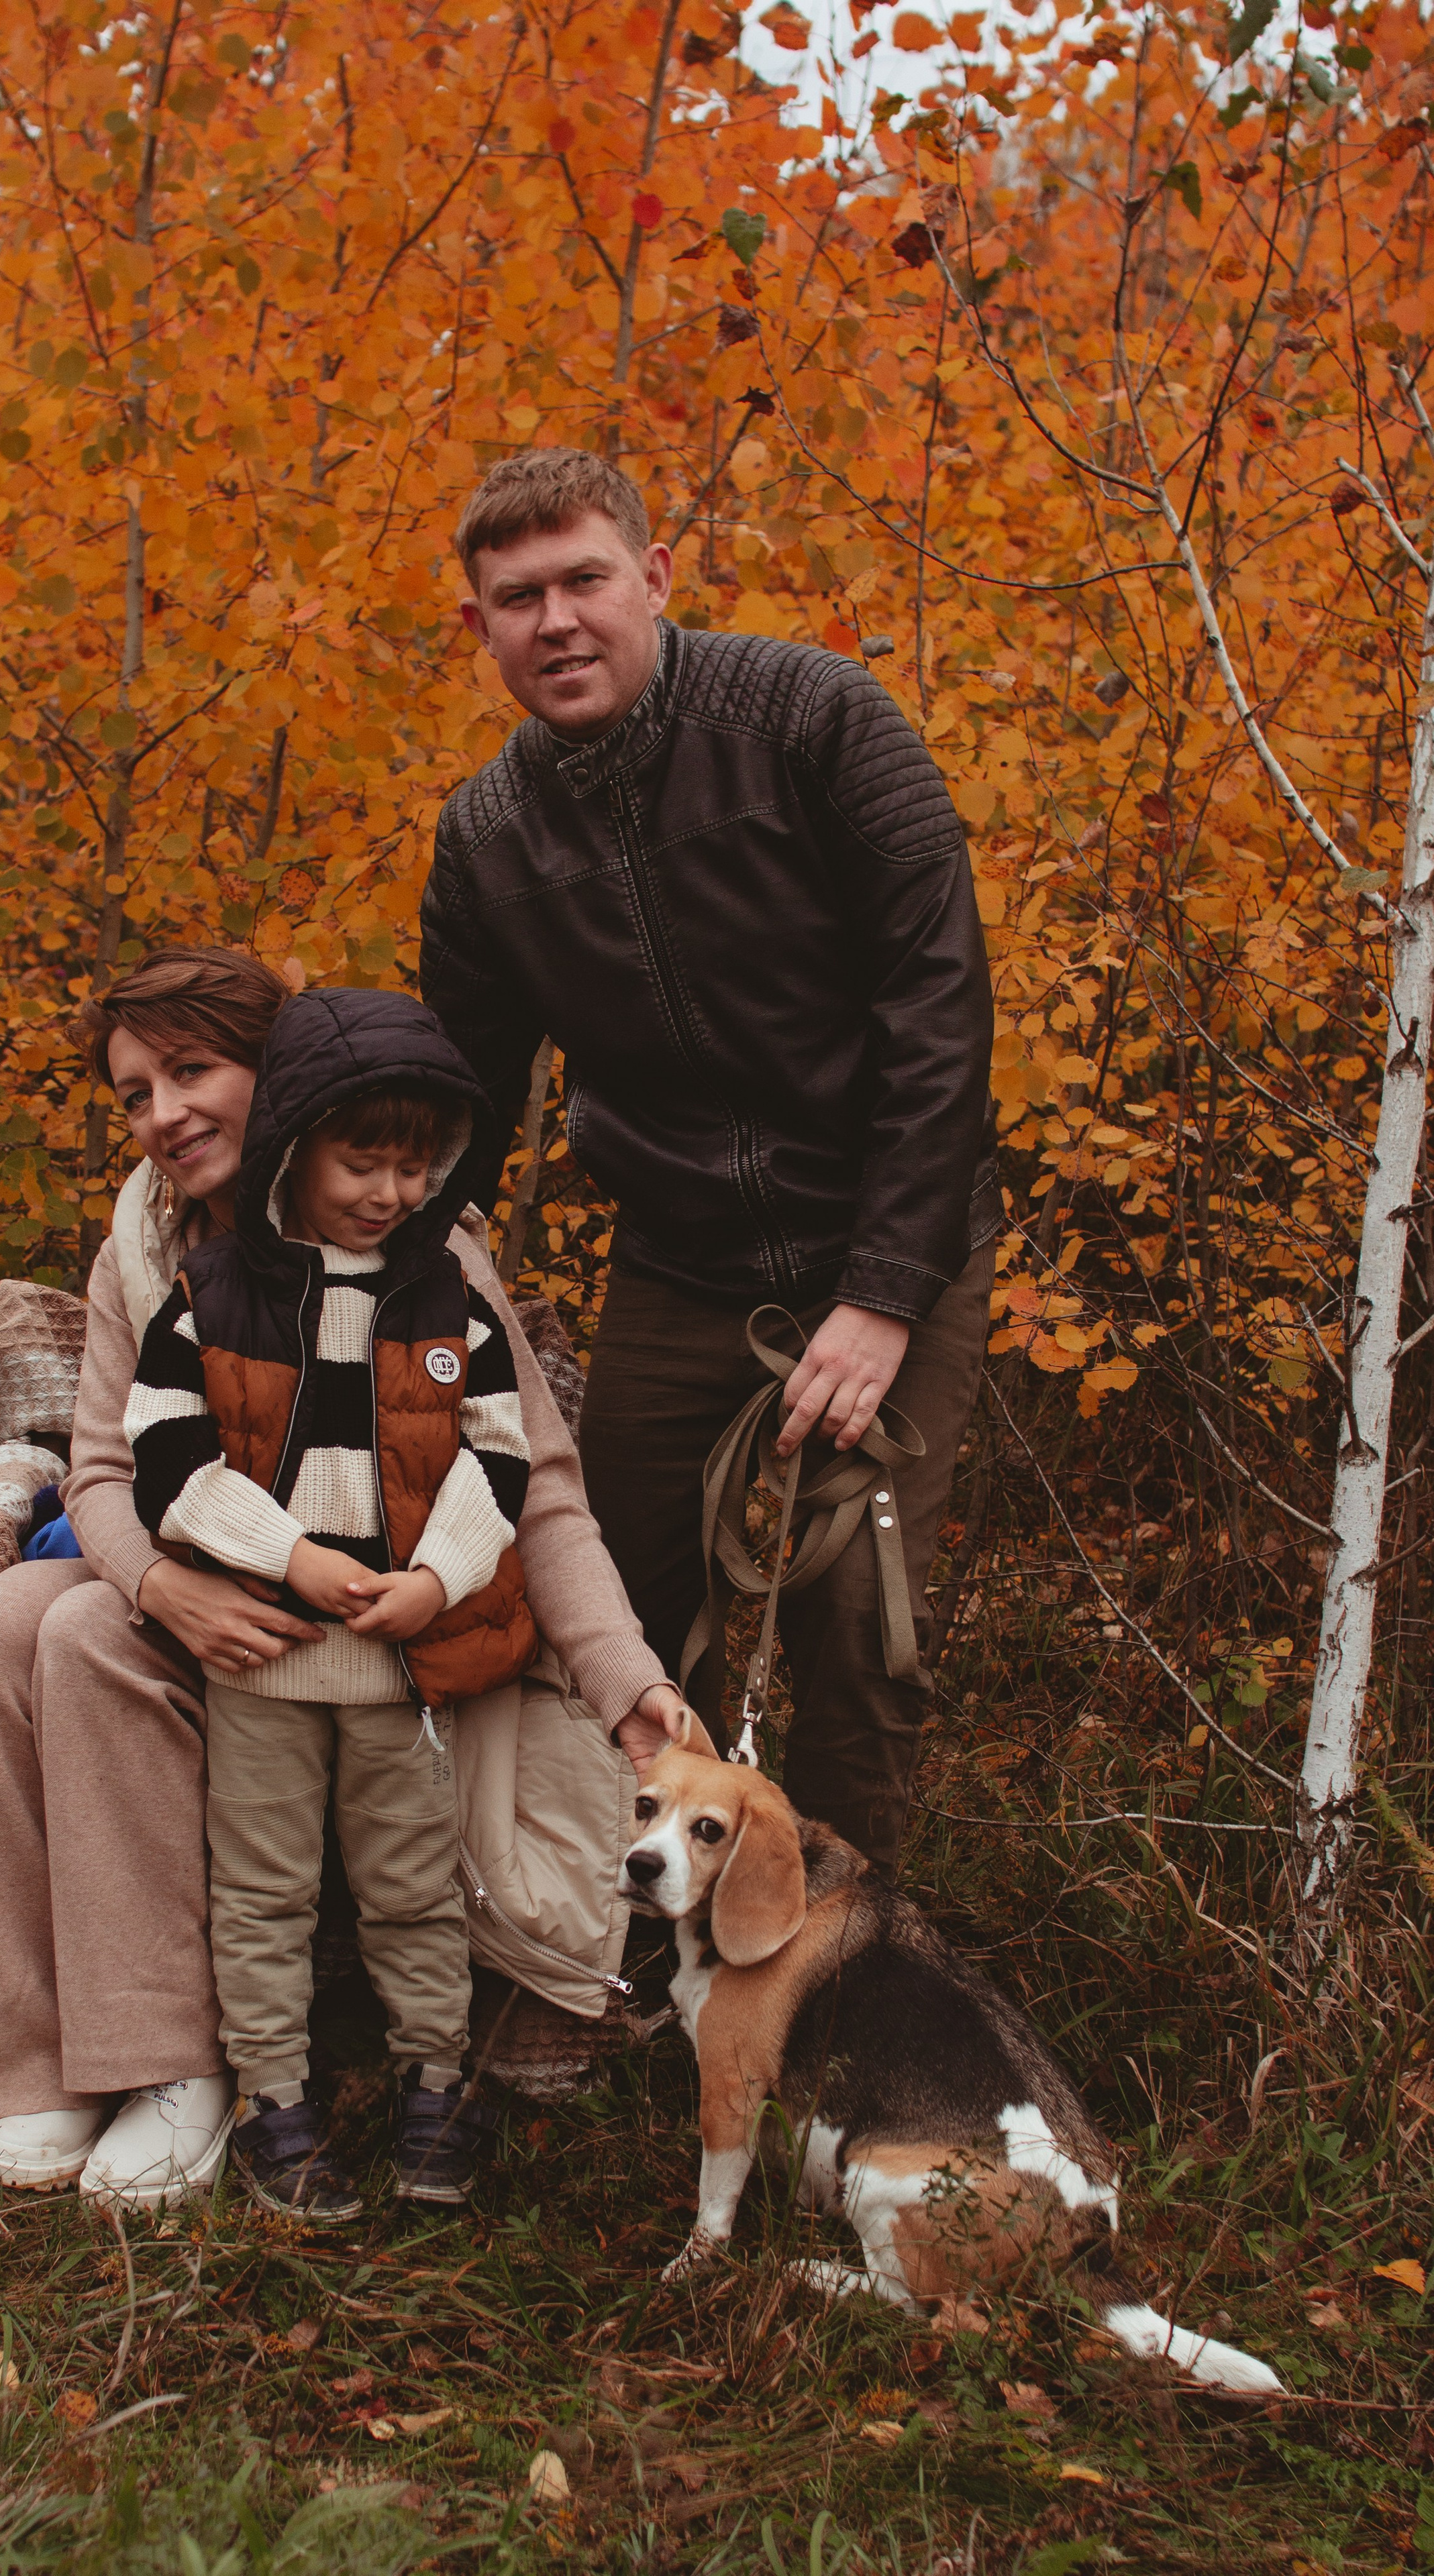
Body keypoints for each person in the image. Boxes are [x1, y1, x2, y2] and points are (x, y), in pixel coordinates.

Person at [0, 946, 679, 2208]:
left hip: (374, 1610)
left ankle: (176, 2067)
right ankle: (43, 2063)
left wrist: (625, 1676)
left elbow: (531, 1483)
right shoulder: (147, 1243)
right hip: (197, 1563)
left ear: (278, 1077)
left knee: (79, 1645)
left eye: (191, 1071)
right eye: (132, 1093)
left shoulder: (421, 1240)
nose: (162, 1113)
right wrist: (162, 1587)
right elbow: (106, 1469)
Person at [421, 449, 1001, 1880]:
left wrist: (879, 1291)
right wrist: (388, 1262)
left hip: (889, 1237)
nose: (555, 621)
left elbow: (940, 1011)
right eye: (516, 599)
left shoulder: (814, 719)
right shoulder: (487, 837)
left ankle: (839, 1966)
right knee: (606, 1609)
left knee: (859, 1631)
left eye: (582, 582)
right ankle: (610, 1954)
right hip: (681, 1262)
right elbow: (457, 1100)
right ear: (481, 628)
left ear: (654, 579)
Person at [127, 985, 537, 2214]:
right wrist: (287, 1555)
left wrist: (436, 1578)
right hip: (263, 1658)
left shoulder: (449, 1301)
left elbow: (499, 1456)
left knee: (414, 1886)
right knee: (261, 1890)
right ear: (295, 1144)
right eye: (364, 1163)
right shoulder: (207, 1296)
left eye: (417, 1169)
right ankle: (276, 2103)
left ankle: (432, 2087)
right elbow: (165, 1461)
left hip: (401, 1668)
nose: (392, 1195)